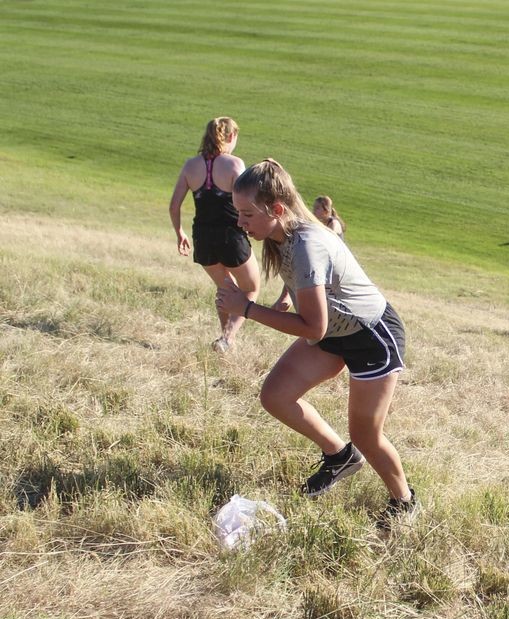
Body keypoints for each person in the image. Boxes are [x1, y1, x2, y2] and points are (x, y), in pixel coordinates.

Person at [215, 159, 417, 527]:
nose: (240, 222)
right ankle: (340, 457)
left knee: (367, 435)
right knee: (275, 394)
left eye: (246, 214)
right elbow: (310, 288)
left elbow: (314, 328)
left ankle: (404, 502)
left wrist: (247, 308)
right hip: (335, 332)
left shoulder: (309, 243)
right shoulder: (281, 235)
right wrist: (285, 298)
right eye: (237, 213)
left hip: (371, 337)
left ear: (276, 209)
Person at [169, 117, 262, 353]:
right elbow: (247, 200)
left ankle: (223, 340)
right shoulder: (234, 164)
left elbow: (174, 205)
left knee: (225, 289)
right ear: (231, 137)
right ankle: (228, 338)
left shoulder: (190, 166)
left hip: (202, 237)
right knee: (251, 287)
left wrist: (179, 232)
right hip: (231, 235)